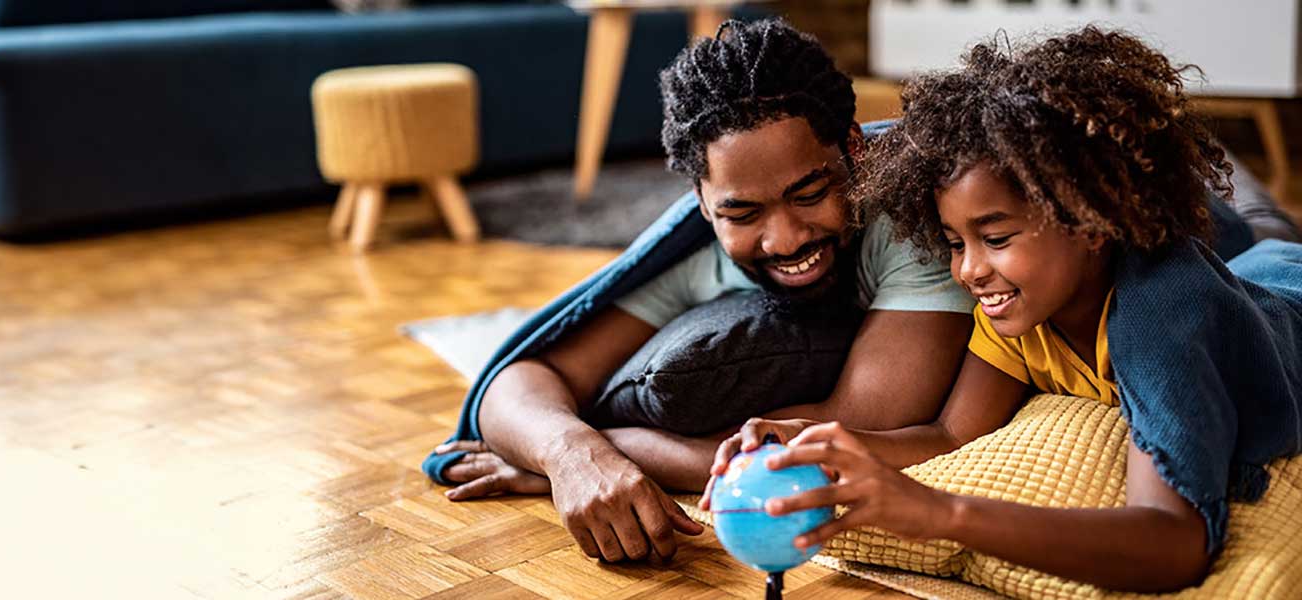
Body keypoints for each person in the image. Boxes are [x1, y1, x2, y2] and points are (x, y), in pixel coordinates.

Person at [703, 27, 1302, 592]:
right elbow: (950, 434)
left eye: (995, 238)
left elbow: (1176, 543)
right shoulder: (1018, 309)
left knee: (1250, 227)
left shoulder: (1162, 319)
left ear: (1089, 221)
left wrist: (941, 512)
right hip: (1253, 275)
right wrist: (810, 439)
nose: (969, 271)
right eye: (955, 242)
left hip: (1285, 285)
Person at [425, 18, 976, 564]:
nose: (785, 239)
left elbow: (859, 426)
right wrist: (571, 455)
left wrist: (614, 448)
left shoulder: (912, 221)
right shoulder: (696, 252)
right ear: (702, 203)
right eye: (742, 213)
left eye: (809, 194)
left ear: (853, 148)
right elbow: (523, 380)